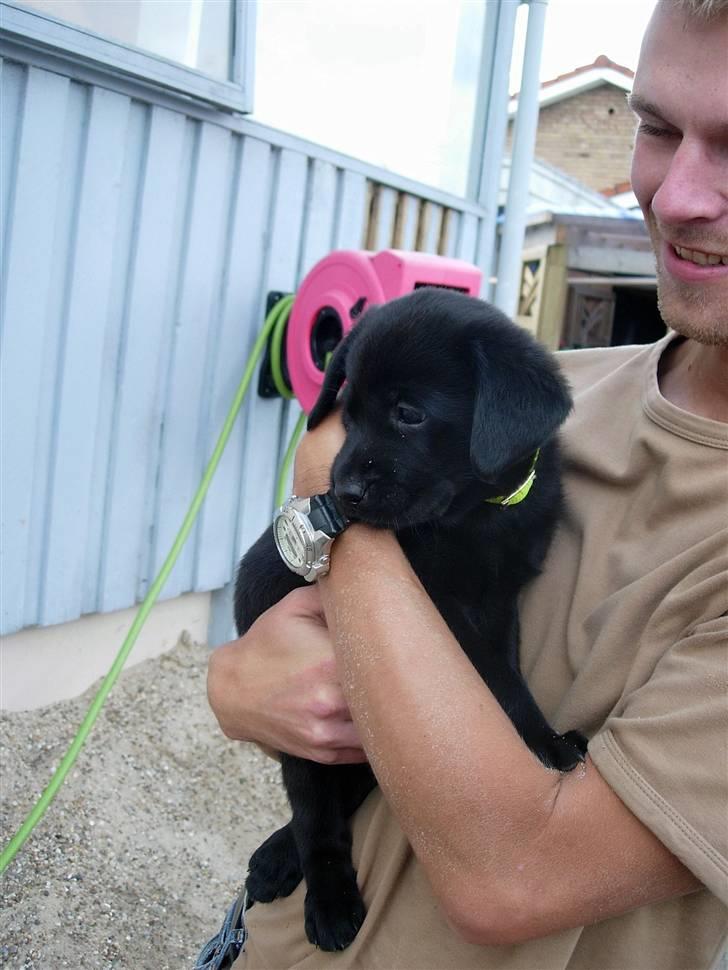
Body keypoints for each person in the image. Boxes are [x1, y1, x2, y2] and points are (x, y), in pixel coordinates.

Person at [204, 1, 728, 967]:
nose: (680, 194)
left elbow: (511, 878)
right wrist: (237, 685)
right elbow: (274, 664)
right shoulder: (544, 394)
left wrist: (337, 503)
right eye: (657, 128)